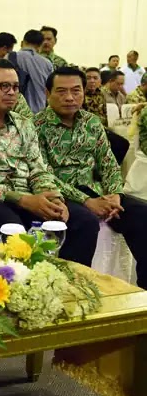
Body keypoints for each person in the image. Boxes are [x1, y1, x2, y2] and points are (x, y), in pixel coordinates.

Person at [0, 59, 99, 266]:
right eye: (4, 86)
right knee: (13, 228)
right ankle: (17, 283)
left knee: (84, 221)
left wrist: (54, 198)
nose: (11, 92)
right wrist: (23, 200)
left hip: (26, 195)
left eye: (16, 87)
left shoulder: (23, 124)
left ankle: (66, 281)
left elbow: (38, 170)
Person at [35, 67, 147, 288]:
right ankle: (77, 290)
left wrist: (115, 194)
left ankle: (143, 292)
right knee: (85, 223)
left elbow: (108, 164)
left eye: (76, 90)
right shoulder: (35, 126)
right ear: (47, 93)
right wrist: (87, 201)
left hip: (96, 190)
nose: (69, 97)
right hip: (62, 194)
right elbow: (43, 173)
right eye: (61, 91)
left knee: (142, 214)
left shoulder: (92, 122)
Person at [84, 67, 130, 164]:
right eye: (88, 78)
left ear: (100, 81)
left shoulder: (100, 94)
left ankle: (111, 168)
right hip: (88, 130)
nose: (92, 81)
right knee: (120, 144)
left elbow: (105, 113)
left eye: (95, 78)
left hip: (103, 128)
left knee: (123, 143)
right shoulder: (80, 94)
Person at [13, 29, 54, 113]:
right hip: (39, 113)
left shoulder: (11, 57)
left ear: (22, 42)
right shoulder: (47, 64)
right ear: (40, 45)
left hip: (16, 112)